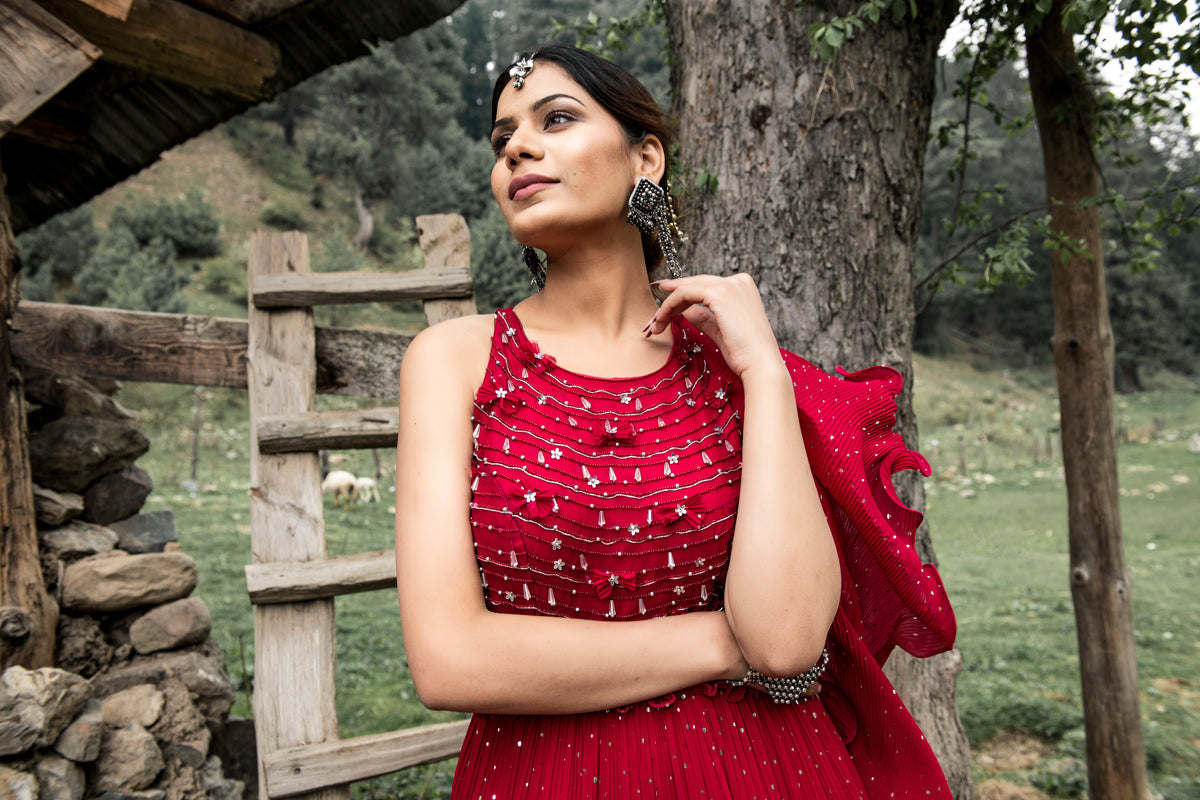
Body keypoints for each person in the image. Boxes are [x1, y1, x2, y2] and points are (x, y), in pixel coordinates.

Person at [395, 42, 956, 799]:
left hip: (765, 769)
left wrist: (761, 369)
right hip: (545, 775)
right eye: (502, 141)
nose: (518, 147)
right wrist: (728, 647)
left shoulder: (738, 367)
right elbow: (449, 660)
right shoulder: (453, 361)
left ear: (645, 159)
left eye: (555, 119)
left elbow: (788, 642)